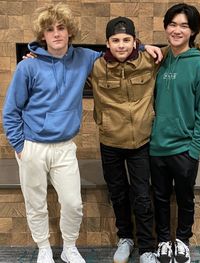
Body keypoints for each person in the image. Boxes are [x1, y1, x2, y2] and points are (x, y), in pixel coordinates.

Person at [87, 16, 200, 263]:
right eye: (115, 40)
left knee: (142, 195)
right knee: (118, 193)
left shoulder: (151, 59)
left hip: (141, 143)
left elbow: (179, 48)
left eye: (127, 40)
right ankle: (125, 237)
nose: (122, 45)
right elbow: (64, 58)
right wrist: (34, 54)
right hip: (110, 142)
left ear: (136, 41)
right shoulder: (94, 66)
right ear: (107, 43)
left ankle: (147, 247)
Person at [2, 3, 103, 263]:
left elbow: (118, 51)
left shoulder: (84, 58)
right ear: (42, 36)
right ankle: (44, 248)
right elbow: (11, 111)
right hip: (32, 147)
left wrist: (144, 47)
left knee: (73, 203)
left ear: (70, 31)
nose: (56, 33)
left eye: (61, 28)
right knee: (35, 202)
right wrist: (20, 146)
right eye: (50, 29)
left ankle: (69, 247)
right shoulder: (28, 67)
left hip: (65, 147)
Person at [149, 3, 200, 263]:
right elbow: (129, 50)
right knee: (160, 198)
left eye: (184, 26)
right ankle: (163, 241)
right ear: (166, 27)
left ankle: (182, 241)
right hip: (156, 146)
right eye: (173, 24)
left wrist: (194, 149)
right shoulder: (158, 59)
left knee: (186, 199)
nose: (177, 30)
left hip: (185, 149)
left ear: (193, 31)